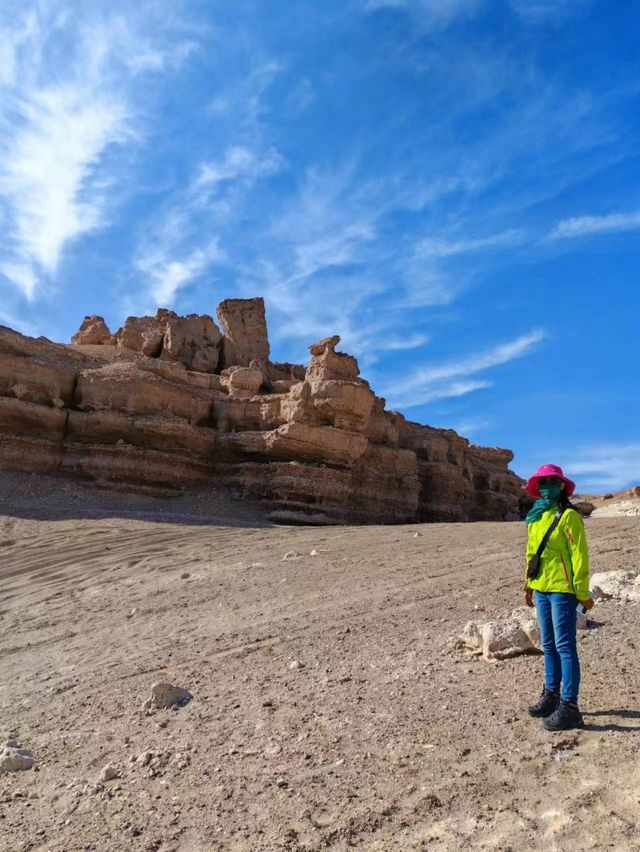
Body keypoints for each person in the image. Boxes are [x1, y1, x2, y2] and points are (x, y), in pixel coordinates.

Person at [523, 463, 593, 731]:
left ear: (562, 485)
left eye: (552, 481)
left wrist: (581, 593)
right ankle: (551, 696)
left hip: (563, 590)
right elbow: (532, 555)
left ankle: (570, 706)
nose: (546, 487)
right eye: (542, 483)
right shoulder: (536, 517)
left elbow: (579, 556)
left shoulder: (569, 517)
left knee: (565, 647)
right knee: (548, 645)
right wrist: (528, 585)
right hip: (541, 588)